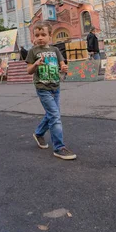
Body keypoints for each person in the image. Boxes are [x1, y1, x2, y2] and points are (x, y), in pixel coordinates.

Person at [26, 21, 76, 161]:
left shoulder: (55, 50)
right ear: (33, 38)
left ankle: (39, 133)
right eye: (37, 35)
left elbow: (62, 65)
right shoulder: (33, 51)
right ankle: (59, 148)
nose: (40, 37)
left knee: (53, 114)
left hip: (55, 87)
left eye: (43, 34)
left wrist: (64, 68)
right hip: (43, 88)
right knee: (55, 115)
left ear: (50, 36)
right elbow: (29, 70)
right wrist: (35, 64)